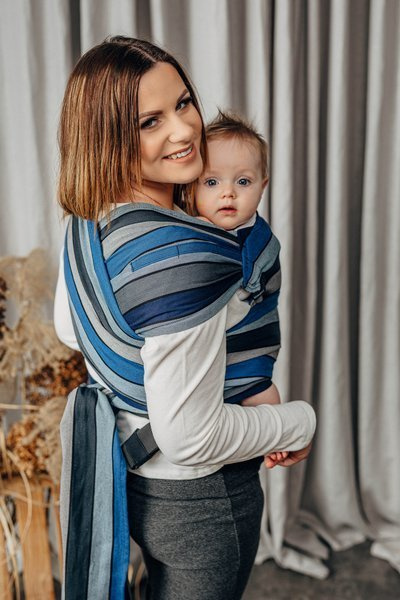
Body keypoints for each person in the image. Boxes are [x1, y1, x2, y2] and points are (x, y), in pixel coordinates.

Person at [54, 36, 316, 600]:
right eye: (150, 121)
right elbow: (191, 438)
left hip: (132, 479)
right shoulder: (184, 254)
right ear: (108, 137)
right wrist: (298, 421)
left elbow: (71, 327)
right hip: (201, 499)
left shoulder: (91, 220)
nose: (184, 130)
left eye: (183, 103)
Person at [194, 110, 288, 469]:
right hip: (211, 351)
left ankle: (277, 437)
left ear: (263, 186)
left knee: (260, 392)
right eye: (211, 182)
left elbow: (250, 289)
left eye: (243, 182)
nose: (228, 193)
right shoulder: (193, 228)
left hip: (249, 342)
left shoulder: (259, 240)